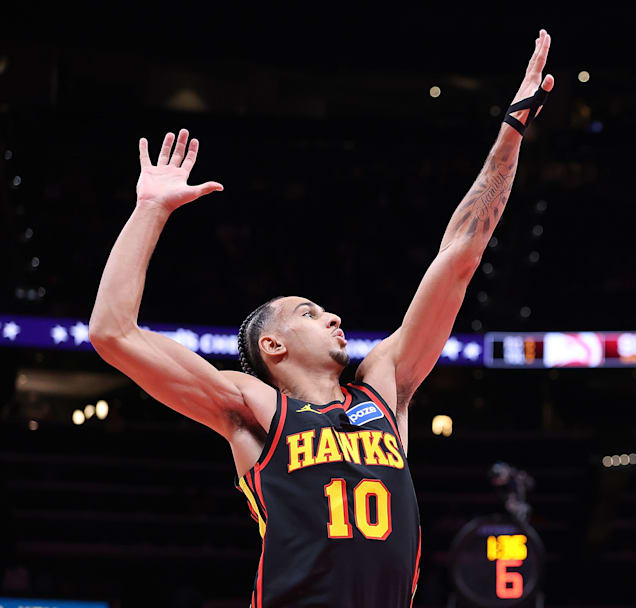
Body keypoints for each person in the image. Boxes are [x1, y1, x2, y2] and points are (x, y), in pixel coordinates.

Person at [89, 30, 556, 608]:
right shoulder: (255, 408)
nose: (333, 316)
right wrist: (150, 209)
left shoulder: (385, 386)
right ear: (273, 347)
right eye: (308, 313)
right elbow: (112, 334)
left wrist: (511, 129)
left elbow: (460, 255)